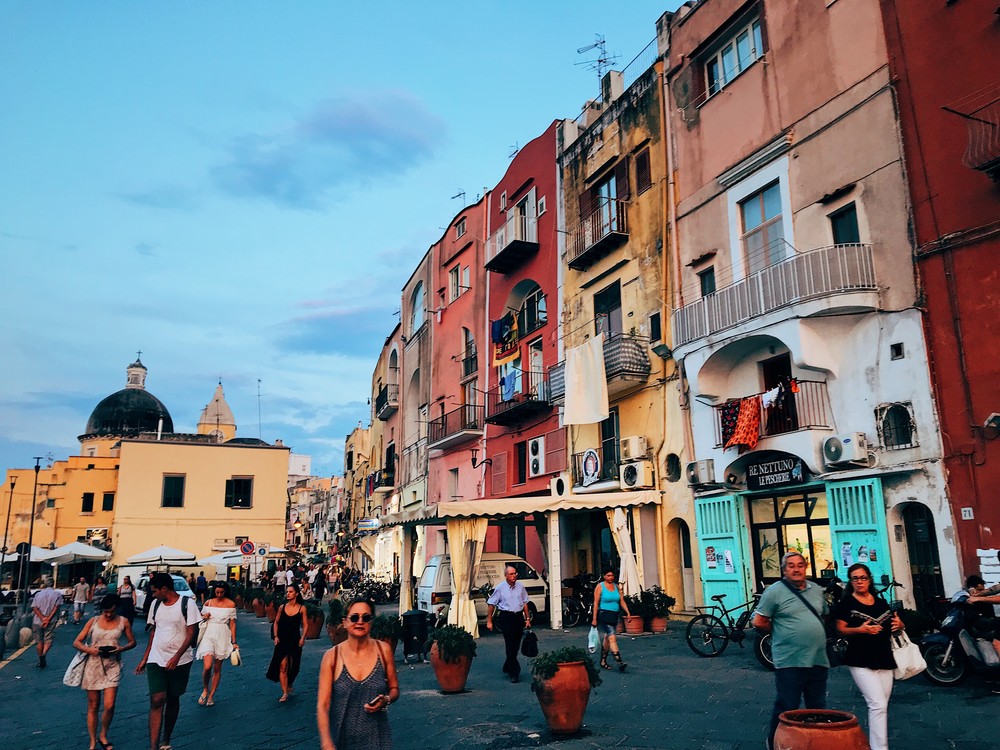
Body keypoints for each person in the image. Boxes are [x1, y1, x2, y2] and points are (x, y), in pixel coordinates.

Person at [752, 551, 830, 750]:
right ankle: (775, 743)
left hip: (818, 659)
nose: (796, 569)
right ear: (784, 570)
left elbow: (824, 616)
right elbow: (759, 621)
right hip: (789, 660)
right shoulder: (774, 592)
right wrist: (781, 632)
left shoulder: (816, 590)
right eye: (791, 566)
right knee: (787, 706)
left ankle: (815, 744)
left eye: (800, 565)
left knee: (817, 708)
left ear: (805, 567)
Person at [832, 563, 904, 750]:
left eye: (863, 578)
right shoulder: (847, 603)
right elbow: (840, 629)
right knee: (877, 704)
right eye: (855, 578)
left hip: (884, 658)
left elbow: (893, 625)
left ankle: (875, 744)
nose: (859, 582)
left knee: (881, 705)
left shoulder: (880, 602)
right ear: (851, 582)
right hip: (860, 659)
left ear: (869, 579)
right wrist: (860, 629)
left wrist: (900, 625)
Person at [317, 597, 399, 750]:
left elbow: (394, 689)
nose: (360, 621)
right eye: (354, 617)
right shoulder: (332, 657)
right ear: (345, 622)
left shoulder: (384, 651)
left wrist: (386, 699)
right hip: (341, 739)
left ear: (371, 622)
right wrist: (326, 742)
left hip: (378, 739)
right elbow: (323, 705)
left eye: (366, 617)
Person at [135, 571, 202, 750]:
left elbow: (191, 633)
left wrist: (177, 656)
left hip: (181, 660)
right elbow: (153, 632)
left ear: (165, 589)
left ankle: (166, 739)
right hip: (156, 658)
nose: (153, 594)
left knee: (173, 698)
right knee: (157, 698)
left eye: (155, 591)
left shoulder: (188, 604)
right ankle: (153, 746)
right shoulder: (155, 605)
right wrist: (145, 657)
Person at [73, 593, 137, 750]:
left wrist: (121, 648)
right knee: (93, 705)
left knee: (109, 705)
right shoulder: (93, 621)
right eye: (105, 612)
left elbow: (133, 642)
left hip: (112, 665)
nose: (108, 615)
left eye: (112, 612)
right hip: (93, 664)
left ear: (117, 609)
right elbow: (77, 642)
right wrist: (90, 650)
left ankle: (103, 734)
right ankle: (93, 740)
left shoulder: (124, 622)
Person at [485, 565, 532, 683]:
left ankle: (507, 665)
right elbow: (491, 604)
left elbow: (525, 602)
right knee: (509, 644)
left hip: (518, 617)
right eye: (511, 574)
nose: (514, 576)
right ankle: (514, 672)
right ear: (506, 576)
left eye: (515, 573)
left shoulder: (520, 587)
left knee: (516, 645)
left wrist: (527, 619)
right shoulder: (500, 588)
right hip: (506, 617)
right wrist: (489, 621)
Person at [195, 581, 238, 706]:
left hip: (223, 634)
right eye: (217, 592)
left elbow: (233, 624)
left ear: (225, 592)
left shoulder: (231, 604)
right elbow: (200, 617)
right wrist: (204, 615)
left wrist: (234, 642)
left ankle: (211, 695)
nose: (219, 595)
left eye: (221, 592)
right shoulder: (208, 602)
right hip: (209, 633)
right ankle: (205, 689)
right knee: (207, 666)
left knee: (217, 668)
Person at [266, 582, 306, 701]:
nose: (287, 594)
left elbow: (305, 624)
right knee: (283, 666)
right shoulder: (282, 607)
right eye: (287, 592)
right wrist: (276, 636)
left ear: (297, 593)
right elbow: (276, 622)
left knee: (294, 666)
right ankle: (284, 693)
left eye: (290, 592)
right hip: (282, 639)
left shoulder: (301, 608)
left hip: (295, 639)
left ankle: (289, 683)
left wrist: (303, 637)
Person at [591, 567, 633, 672]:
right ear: (604, 576)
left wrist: (628, 613)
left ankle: (603, 661)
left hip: (614, 615)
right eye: (608, 575)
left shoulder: (616, 587)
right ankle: (619, 661)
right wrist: (594, 619)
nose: (610, 578)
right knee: (612, 637)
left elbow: (621, 600)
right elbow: (596, 603)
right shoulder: (600, 587)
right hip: (604, 614)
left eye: (612, 576)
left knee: (607, 638)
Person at [31, 577, 64, 668]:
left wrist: (42, 618)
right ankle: (44, 654)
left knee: (39, 641)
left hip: (38, 620)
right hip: (51, 620)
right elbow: (56, 607)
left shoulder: (38, 594)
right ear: (53, 584)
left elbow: (34, 607)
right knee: (48, 639)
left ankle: (40, 657)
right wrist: (48, 619)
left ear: (45, 584)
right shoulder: (57, 594)